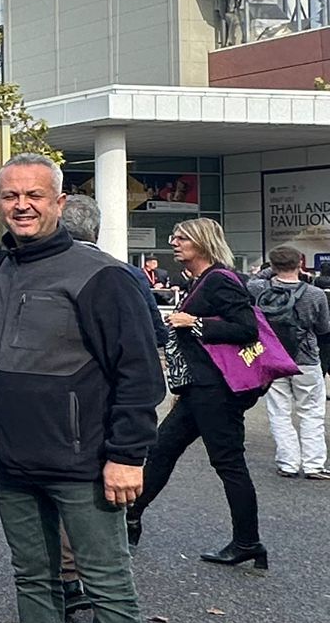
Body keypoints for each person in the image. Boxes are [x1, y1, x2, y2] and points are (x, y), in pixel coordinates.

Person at [0, 154, 161, 623]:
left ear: (59, 202)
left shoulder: (102, 276)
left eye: (34, 195)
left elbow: (140, 373)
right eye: (10, 196)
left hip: (84, 461)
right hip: (12, 459)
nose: (21, 205)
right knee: (33, 576)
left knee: (108, 587)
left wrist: (127, 455)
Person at [131, 217, 268, 570]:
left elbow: (247, 329)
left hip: (218, 391)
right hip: (199, 389)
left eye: (182, 238)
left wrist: (194, 322)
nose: (174, 243)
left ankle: (247, 541)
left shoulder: (220, 279)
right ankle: (131, 518)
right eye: (174, 237)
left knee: (228, 463)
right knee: (161, 449)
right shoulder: (202, 280)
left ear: (202, 242)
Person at [249, 244, 330, 479]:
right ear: (300, 264)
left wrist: (271, 270)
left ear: (272, 266)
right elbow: (323, 328)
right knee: (312, 411)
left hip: (273, 357)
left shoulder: (260, 288)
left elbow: (253, 280)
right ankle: (314, 464)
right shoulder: (314, 294)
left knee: (279, 412)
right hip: (306, 357)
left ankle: (288, 463)